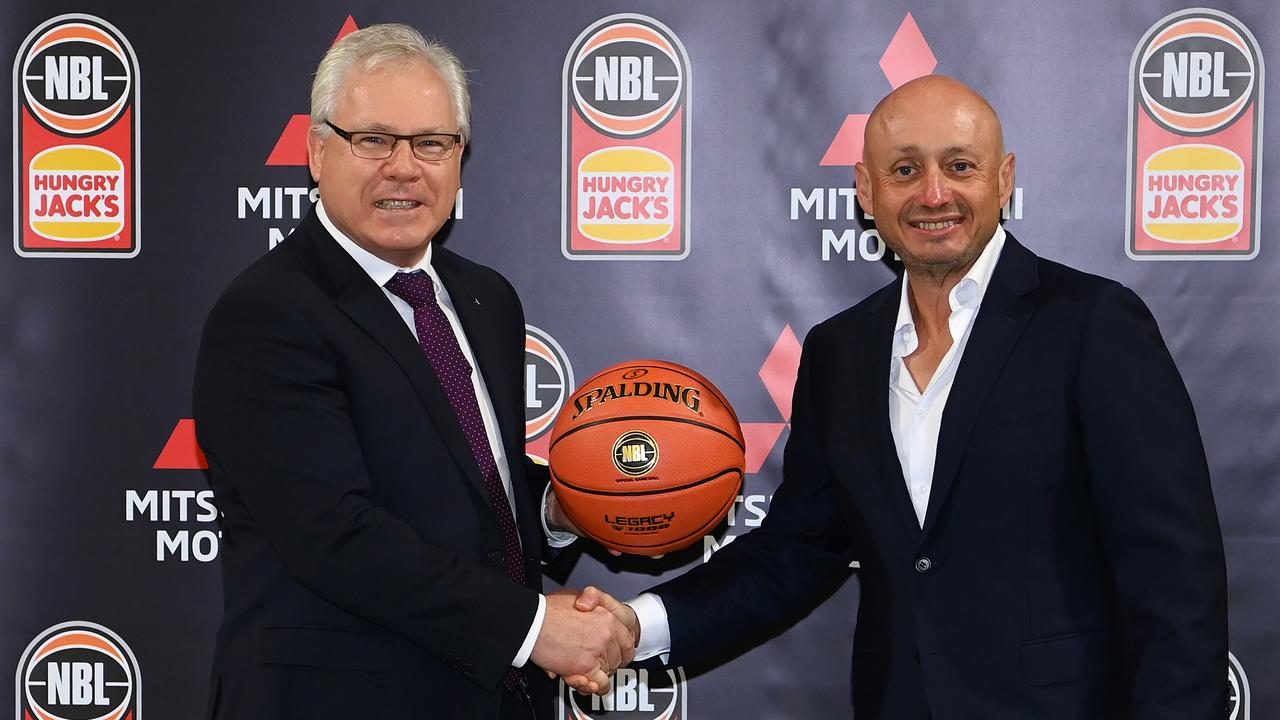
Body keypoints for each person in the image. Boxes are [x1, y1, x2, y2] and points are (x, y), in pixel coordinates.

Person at [576, 75, 1228, 718]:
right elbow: (798, 549)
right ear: (866, 190)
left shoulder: (1093, 323)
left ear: (1004, 179)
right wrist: (636, 625)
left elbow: (1173, 574)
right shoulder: (841, 350)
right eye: (905, 170)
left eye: (961, 166)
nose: (934, 193)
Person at [193, 24, 632, 720]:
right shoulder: (266, 313)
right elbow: (334, 535)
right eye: (373, 139)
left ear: (460, 158)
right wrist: (531, 628)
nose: (404, 166)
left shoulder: (487, 299)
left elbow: (467, 483)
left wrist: (558, 505)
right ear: (316, 151)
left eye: (432, 142)